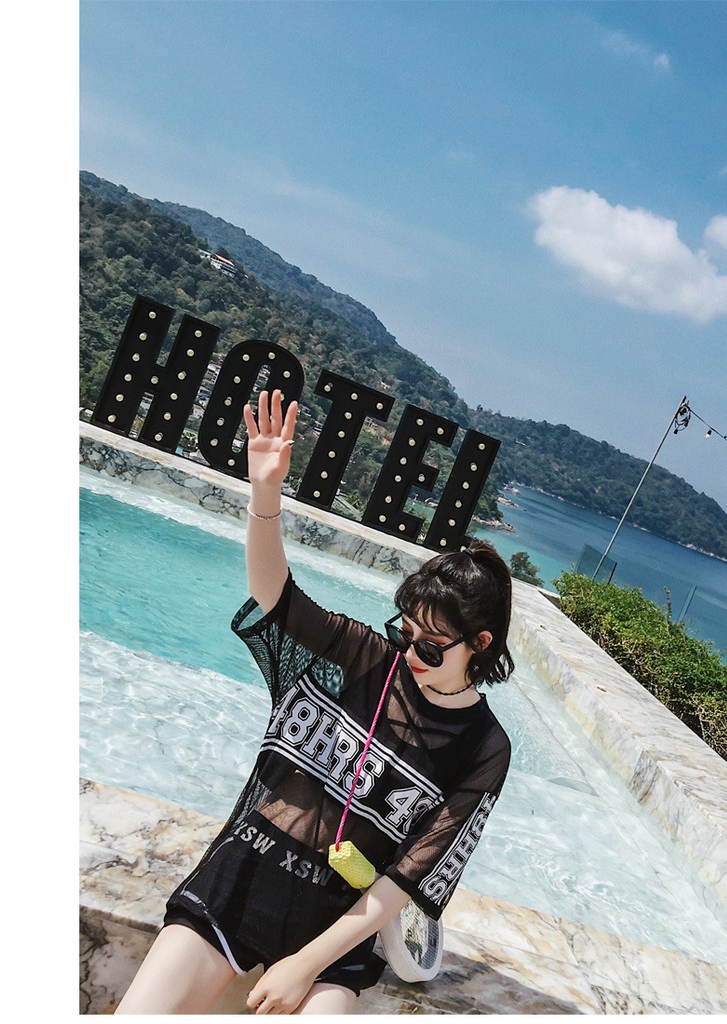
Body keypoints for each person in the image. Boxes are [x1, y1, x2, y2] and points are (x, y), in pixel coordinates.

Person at [115, 390, 514, 1014]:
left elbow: (406, 878)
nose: (410, 653)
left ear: (479, 644)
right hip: (243, 876)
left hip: (337, 929)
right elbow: (275, 595)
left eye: (431, 647)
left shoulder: (484, 748)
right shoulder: (363, 656)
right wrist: (265, 493)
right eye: (404, 631)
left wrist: (303, 964)